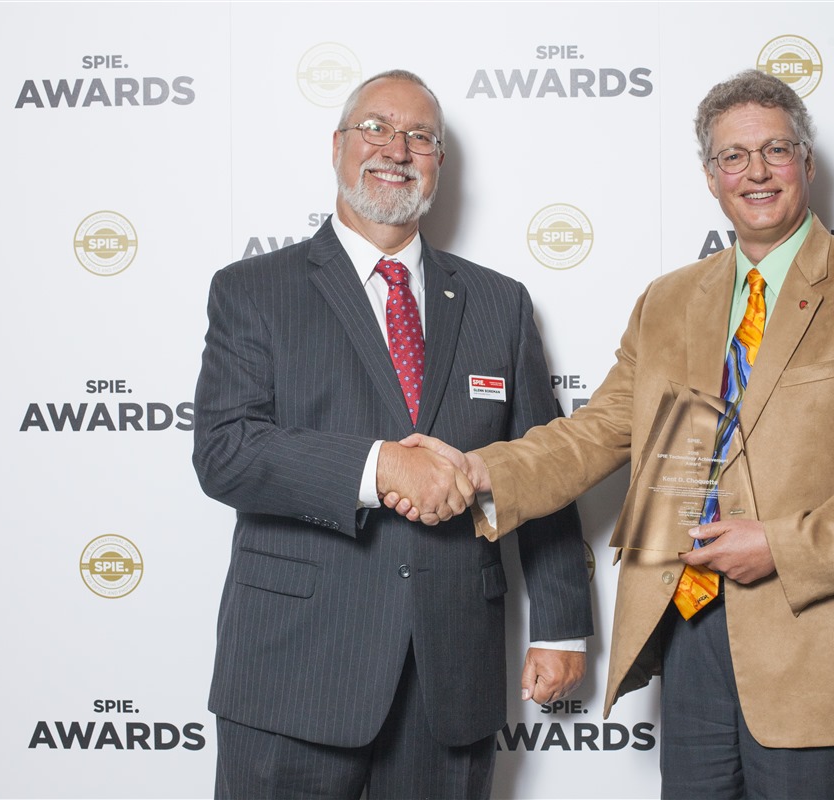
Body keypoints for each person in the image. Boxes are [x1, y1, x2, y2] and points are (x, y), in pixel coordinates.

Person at [388, 69, 834, 798]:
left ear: (807, 164)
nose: (755, 171)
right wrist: (473, 470)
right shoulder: (668, 301)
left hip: (823, 652)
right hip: (689, 632)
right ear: (710, 177)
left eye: (776, 150)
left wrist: (781, 545)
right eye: (732, 157)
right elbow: (595, 433)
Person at [192, 69, 593, 800]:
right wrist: (379, 468)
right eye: (375, 127)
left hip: (450, 679)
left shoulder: (499, 304)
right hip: (292, 677)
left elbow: (547, 466)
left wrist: (561, 626)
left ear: (440, 161)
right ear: (338, 145)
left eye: (421, 137)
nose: (396, 149)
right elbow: (226, 452)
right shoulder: (253, 290)